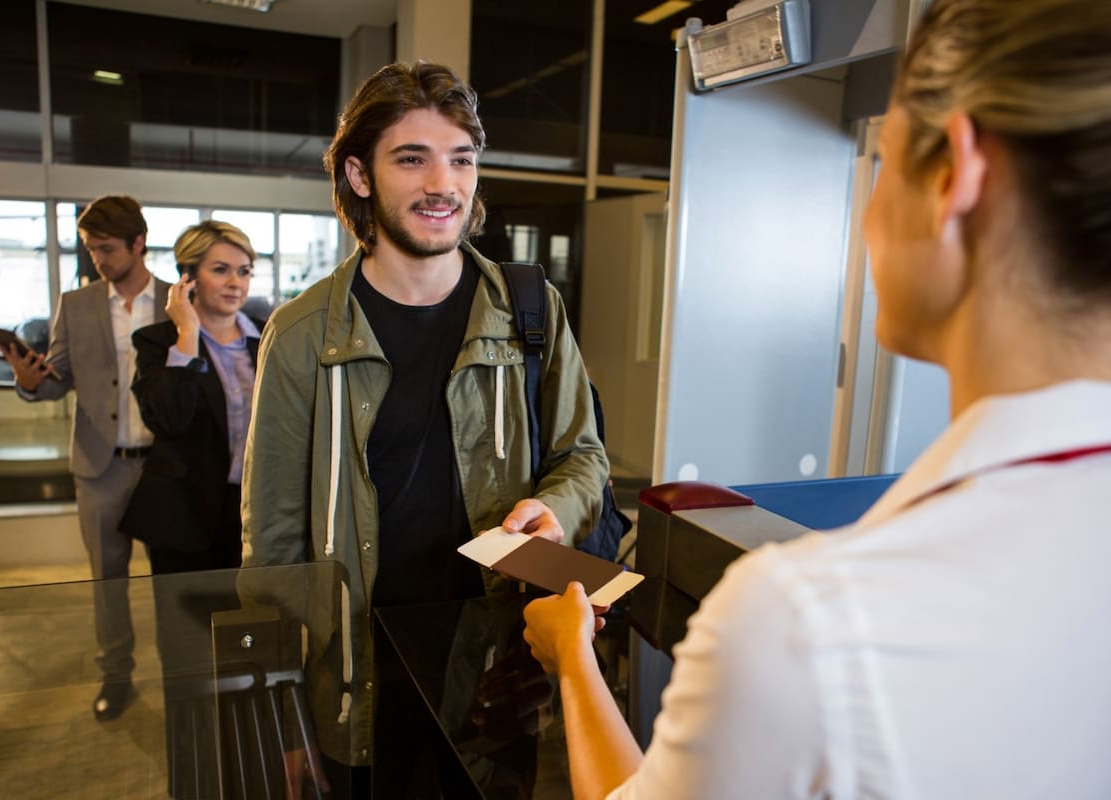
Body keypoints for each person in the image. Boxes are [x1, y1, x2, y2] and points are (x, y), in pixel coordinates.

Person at [523, 1, 1111, 797]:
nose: (871, 220)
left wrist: (572, 660)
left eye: (889, 162)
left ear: (954, 178)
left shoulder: (809, 626)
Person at [241, 61, 609, 792]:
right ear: (359, 175)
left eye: (461, 159)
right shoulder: (303, 333)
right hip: (357, 676)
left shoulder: (530, 310)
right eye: (412, 158)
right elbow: (275, 545)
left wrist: (556, 511)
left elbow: (585, 458)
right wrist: (282, 716)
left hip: (498, 667)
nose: (443, 183)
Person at [3, 195, 171, 721]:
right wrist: (30, 383)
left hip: (166, 467)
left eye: (105, 249)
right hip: (101, 467)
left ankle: (182, 673)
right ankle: (115, 675)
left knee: (173, 579)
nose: (97, 259)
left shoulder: (176, 300)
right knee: (108, 579)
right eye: (91, 250)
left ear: (137, 244)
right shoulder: (74, 306)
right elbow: (58, 381)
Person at [117, 219, 263, 798]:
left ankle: (246, 763)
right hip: (182, 522)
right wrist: (185, 335)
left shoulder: (266, 339)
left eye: (244, 270)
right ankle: (193, 777)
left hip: (250, 521)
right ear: (188, 278)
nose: (235, 282)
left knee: (248, 649)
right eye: (220, 269)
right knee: (185, 660)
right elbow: (168, 419)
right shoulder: (158, 341)